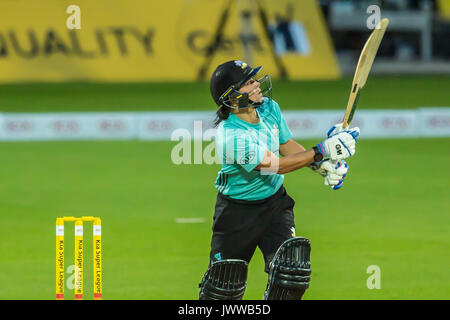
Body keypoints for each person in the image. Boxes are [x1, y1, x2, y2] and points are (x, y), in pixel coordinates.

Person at [198, 60, 360, 300]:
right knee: (223, 288)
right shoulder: (231, 136)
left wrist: (319, 165)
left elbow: (286, 147)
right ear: (231, 99)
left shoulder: (269, 108)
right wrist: (321, 151)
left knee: (291, 272)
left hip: (274, 205)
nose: (256, 85)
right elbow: (275, 166)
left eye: (253, 79)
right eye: (248, 83)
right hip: (236, 213)